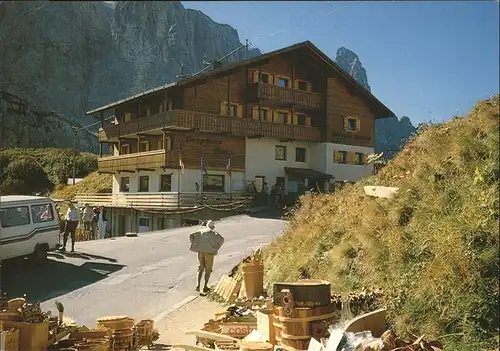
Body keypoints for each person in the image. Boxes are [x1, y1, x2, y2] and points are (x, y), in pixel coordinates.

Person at [189, 220, 224, 293]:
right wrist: (216, 247)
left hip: (200, 252)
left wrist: (195, 244)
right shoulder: (214, 233)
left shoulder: (200, 231)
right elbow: (222, 240)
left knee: (200, 268)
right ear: (213, 227)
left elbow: (191, 235)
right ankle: (205, 286)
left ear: (206, 226)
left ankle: (198, 285)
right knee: (208, 270)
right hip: (209, 253)